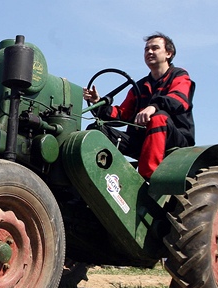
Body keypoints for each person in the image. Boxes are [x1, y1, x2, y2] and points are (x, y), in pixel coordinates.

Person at [83, 32, 195, 179]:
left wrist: (153, 106)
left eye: (155, 48)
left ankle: (147, 180)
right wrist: (98, 103)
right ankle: (100, 180)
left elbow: (179, 100)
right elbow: (122, 114)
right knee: (96, 131)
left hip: (174, 138)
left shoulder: (179, 75)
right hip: (141, 140)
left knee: (157, 118)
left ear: (168, 53)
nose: (149, 52)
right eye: (146, 49)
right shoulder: (140, 86)